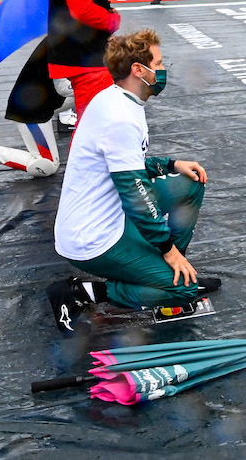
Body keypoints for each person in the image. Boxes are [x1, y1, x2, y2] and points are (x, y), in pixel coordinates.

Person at [46, 29, 218, 335]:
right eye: (160, 63)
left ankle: (169, 274)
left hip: (110, 213)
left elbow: (128, 166)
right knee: (183, 293)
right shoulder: (120, 118)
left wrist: (171, 164)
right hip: (92, 238)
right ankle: (86, 292)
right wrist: (169, 249)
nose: (164, 71)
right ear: (139, 70)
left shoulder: (119, 99)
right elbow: (136, 195)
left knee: (189, 184)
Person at [0, 38, 72, 181]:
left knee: (93, 93)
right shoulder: (64, 44)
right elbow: (63, 88)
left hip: (44, 102)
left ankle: (68, 118)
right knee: (48, 165)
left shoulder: (70, 36)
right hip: (31, 110)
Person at [48, 0, 122, 122]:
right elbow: (80, 8)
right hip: (84, 56)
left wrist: (106, 9)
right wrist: (110, 21)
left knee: (94, 124)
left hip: (86, 54)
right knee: (95, 126)